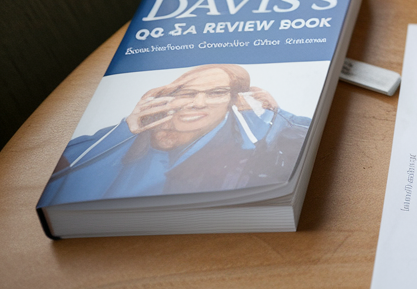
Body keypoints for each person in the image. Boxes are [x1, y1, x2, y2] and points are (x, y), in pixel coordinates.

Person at [39, 64, 310, 206]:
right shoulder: (117, 141)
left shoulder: (254, 139)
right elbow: (60, 184)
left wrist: (273, 119)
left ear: (234, 100)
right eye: (187, 93)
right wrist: (122, 134)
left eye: (216, 93)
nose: (199, 103)